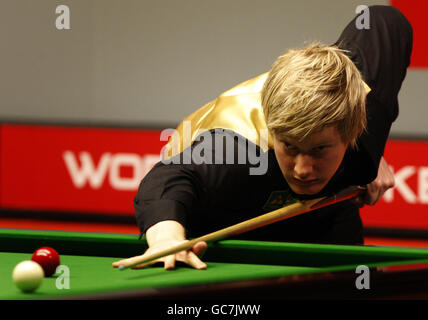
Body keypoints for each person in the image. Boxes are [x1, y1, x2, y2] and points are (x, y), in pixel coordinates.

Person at [113, 5, 413, 270]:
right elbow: (168, 178)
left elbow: (384, 19)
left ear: (351, 129)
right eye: (291, 147)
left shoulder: (364, 102)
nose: (302, 169)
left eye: (319, 149)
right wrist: (167, 237)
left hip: (325, 212)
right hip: (227, 216)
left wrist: (368, 150)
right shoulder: (234, 148)